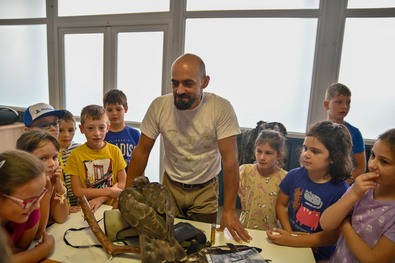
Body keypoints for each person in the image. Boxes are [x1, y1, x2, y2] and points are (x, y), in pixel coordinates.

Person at [126, 53, 251, 243]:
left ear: (205, 81)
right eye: (175, 83)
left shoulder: (221, 108)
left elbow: (230, 161)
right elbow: (142, 151)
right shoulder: (159, 106)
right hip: (170, 186)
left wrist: (229, 210)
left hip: (206, 189)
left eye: (188, 83)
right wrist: (127, 196)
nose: (179, 90)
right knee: (166, 239)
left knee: (201, 243)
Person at [266, 121, 352, 262]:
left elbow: (331, 236)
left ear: (334, 157)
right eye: (305, 148)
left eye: (315, 151)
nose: (306, 154)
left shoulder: (342, 191)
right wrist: (290, 235)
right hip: (290, 243)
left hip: (320, 255)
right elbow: (281, 205)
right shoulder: (293, 175)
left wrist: (295, 241)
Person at [320, 128, 395, 262]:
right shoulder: (362, 187)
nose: (372, 165)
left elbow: (372, 259)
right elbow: (326, 223)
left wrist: (344, 223)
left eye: (384, 161)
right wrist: (353, 194)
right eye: (373, 155)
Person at [64, 105, 126, 212]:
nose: (97, 133)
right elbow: (77, 191)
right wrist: (110, 191)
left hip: (114, 207)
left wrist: (101, 198)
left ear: (108, 128)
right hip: (87, 209)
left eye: (101, 128)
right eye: (90, 128)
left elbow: (123, 182)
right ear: (82, 129)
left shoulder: (115, 151)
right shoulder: (75, 155)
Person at [0, 150, 55, 263]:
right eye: (29, 201)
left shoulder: (29, 210)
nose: (37, 206)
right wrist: (45, 248)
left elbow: (22, 248)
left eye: (40, 195)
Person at [16, 130, 69, 239]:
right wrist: (47, 194)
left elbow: (61, 218)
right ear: (24, 160)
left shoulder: (51, 180)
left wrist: (59, 189)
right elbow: (37, 234)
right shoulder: (22, 190)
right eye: (43, 158)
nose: (52, 164)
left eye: (54, 157)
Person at [238, 128, 288, 231]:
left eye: (268, 153)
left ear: (279, 155)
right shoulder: (245, 171)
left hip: (271, 232)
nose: (262, 157)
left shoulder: (285, 178)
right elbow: (237, 188)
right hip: (245, 228)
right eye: (259, 151)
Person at [324, 82, 366, 182]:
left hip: (343, 183)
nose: (344, 107)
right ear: (326, 105)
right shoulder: (317, 131)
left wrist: (343, 184)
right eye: (339, 102)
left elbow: (361, 167)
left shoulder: (355, 133)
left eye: (348, 102)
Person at [103, 89, 141, 173]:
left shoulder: (134, 134)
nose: (114, 113)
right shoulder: (102, 135)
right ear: (104, 111)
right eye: (109, 110)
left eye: (118, 109)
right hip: (109, 182)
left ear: (126, 109)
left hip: (130, 181)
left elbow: (140, 161)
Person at [58, 110, 81, 213]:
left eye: (70, 130)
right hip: (61, 202)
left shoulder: (80, 149)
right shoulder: (52, 151)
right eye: (61, 130)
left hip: (79, 199)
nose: (66, 135)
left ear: (76, 129)